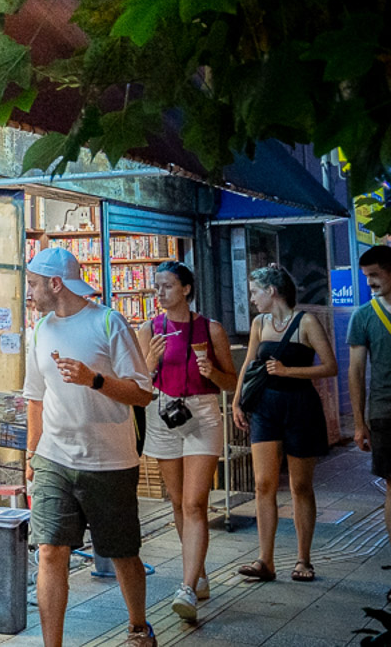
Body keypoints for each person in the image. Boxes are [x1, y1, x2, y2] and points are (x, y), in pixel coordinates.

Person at [23, 247, 157, 647]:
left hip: (110, 459)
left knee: (121, 552)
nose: (28, 292)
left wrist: (94, 380)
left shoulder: (108, 322)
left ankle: (137, 626)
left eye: (32, 284)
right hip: (54, 457)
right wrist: (32, 456)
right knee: (50, 551)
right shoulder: (41, 329)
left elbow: (143, 393)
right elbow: (35, 396)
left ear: (55, 283)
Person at [136, 261, 237, 621]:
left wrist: (214, 372)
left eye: (166, 286)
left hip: (202, 415)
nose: (159, 293)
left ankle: (188, 587)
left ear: (186, 289)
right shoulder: (149, 329)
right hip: (163, 414)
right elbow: (137, 385)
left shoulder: (210, 329)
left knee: (195, 503)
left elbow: (231, 382)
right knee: (178, 502)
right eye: (156, 286)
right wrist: (149, 364)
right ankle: (200, 573)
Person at [232, 264, 338, 583]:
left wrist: (289, 372)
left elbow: (330, 366)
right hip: (265, 406)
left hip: (300, 405)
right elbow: (250, 364)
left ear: (271, 291)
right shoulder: (259, 323)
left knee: (300, 485)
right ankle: (265, 560)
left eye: (254, 292)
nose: (252, 299)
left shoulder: (306, 321)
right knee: (263, 483)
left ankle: (303, 559)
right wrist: (237, 401)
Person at [348, 244, 391, 606]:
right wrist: (360, 423)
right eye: (366, 276)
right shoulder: (365, 316)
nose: (370, 282)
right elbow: (356, 371)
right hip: (387, 415)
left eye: (375, 275)